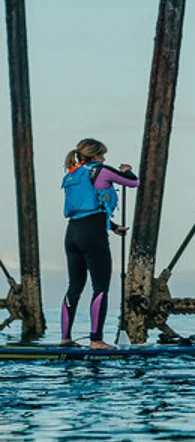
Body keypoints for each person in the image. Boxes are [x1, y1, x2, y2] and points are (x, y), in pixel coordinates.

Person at [59, 138, 139, 349]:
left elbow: (88, 208)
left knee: (74, 287)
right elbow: (133, 182)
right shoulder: (101, 170)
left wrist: (113, 227)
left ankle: (65, 339)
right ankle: (96, 340)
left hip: (72, 234)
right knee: (100, 287)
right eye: (102, 155)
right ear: (95, 156)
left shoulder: (72, 174)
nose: (104, 158)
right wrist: (127, 170)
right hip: (93, 236)